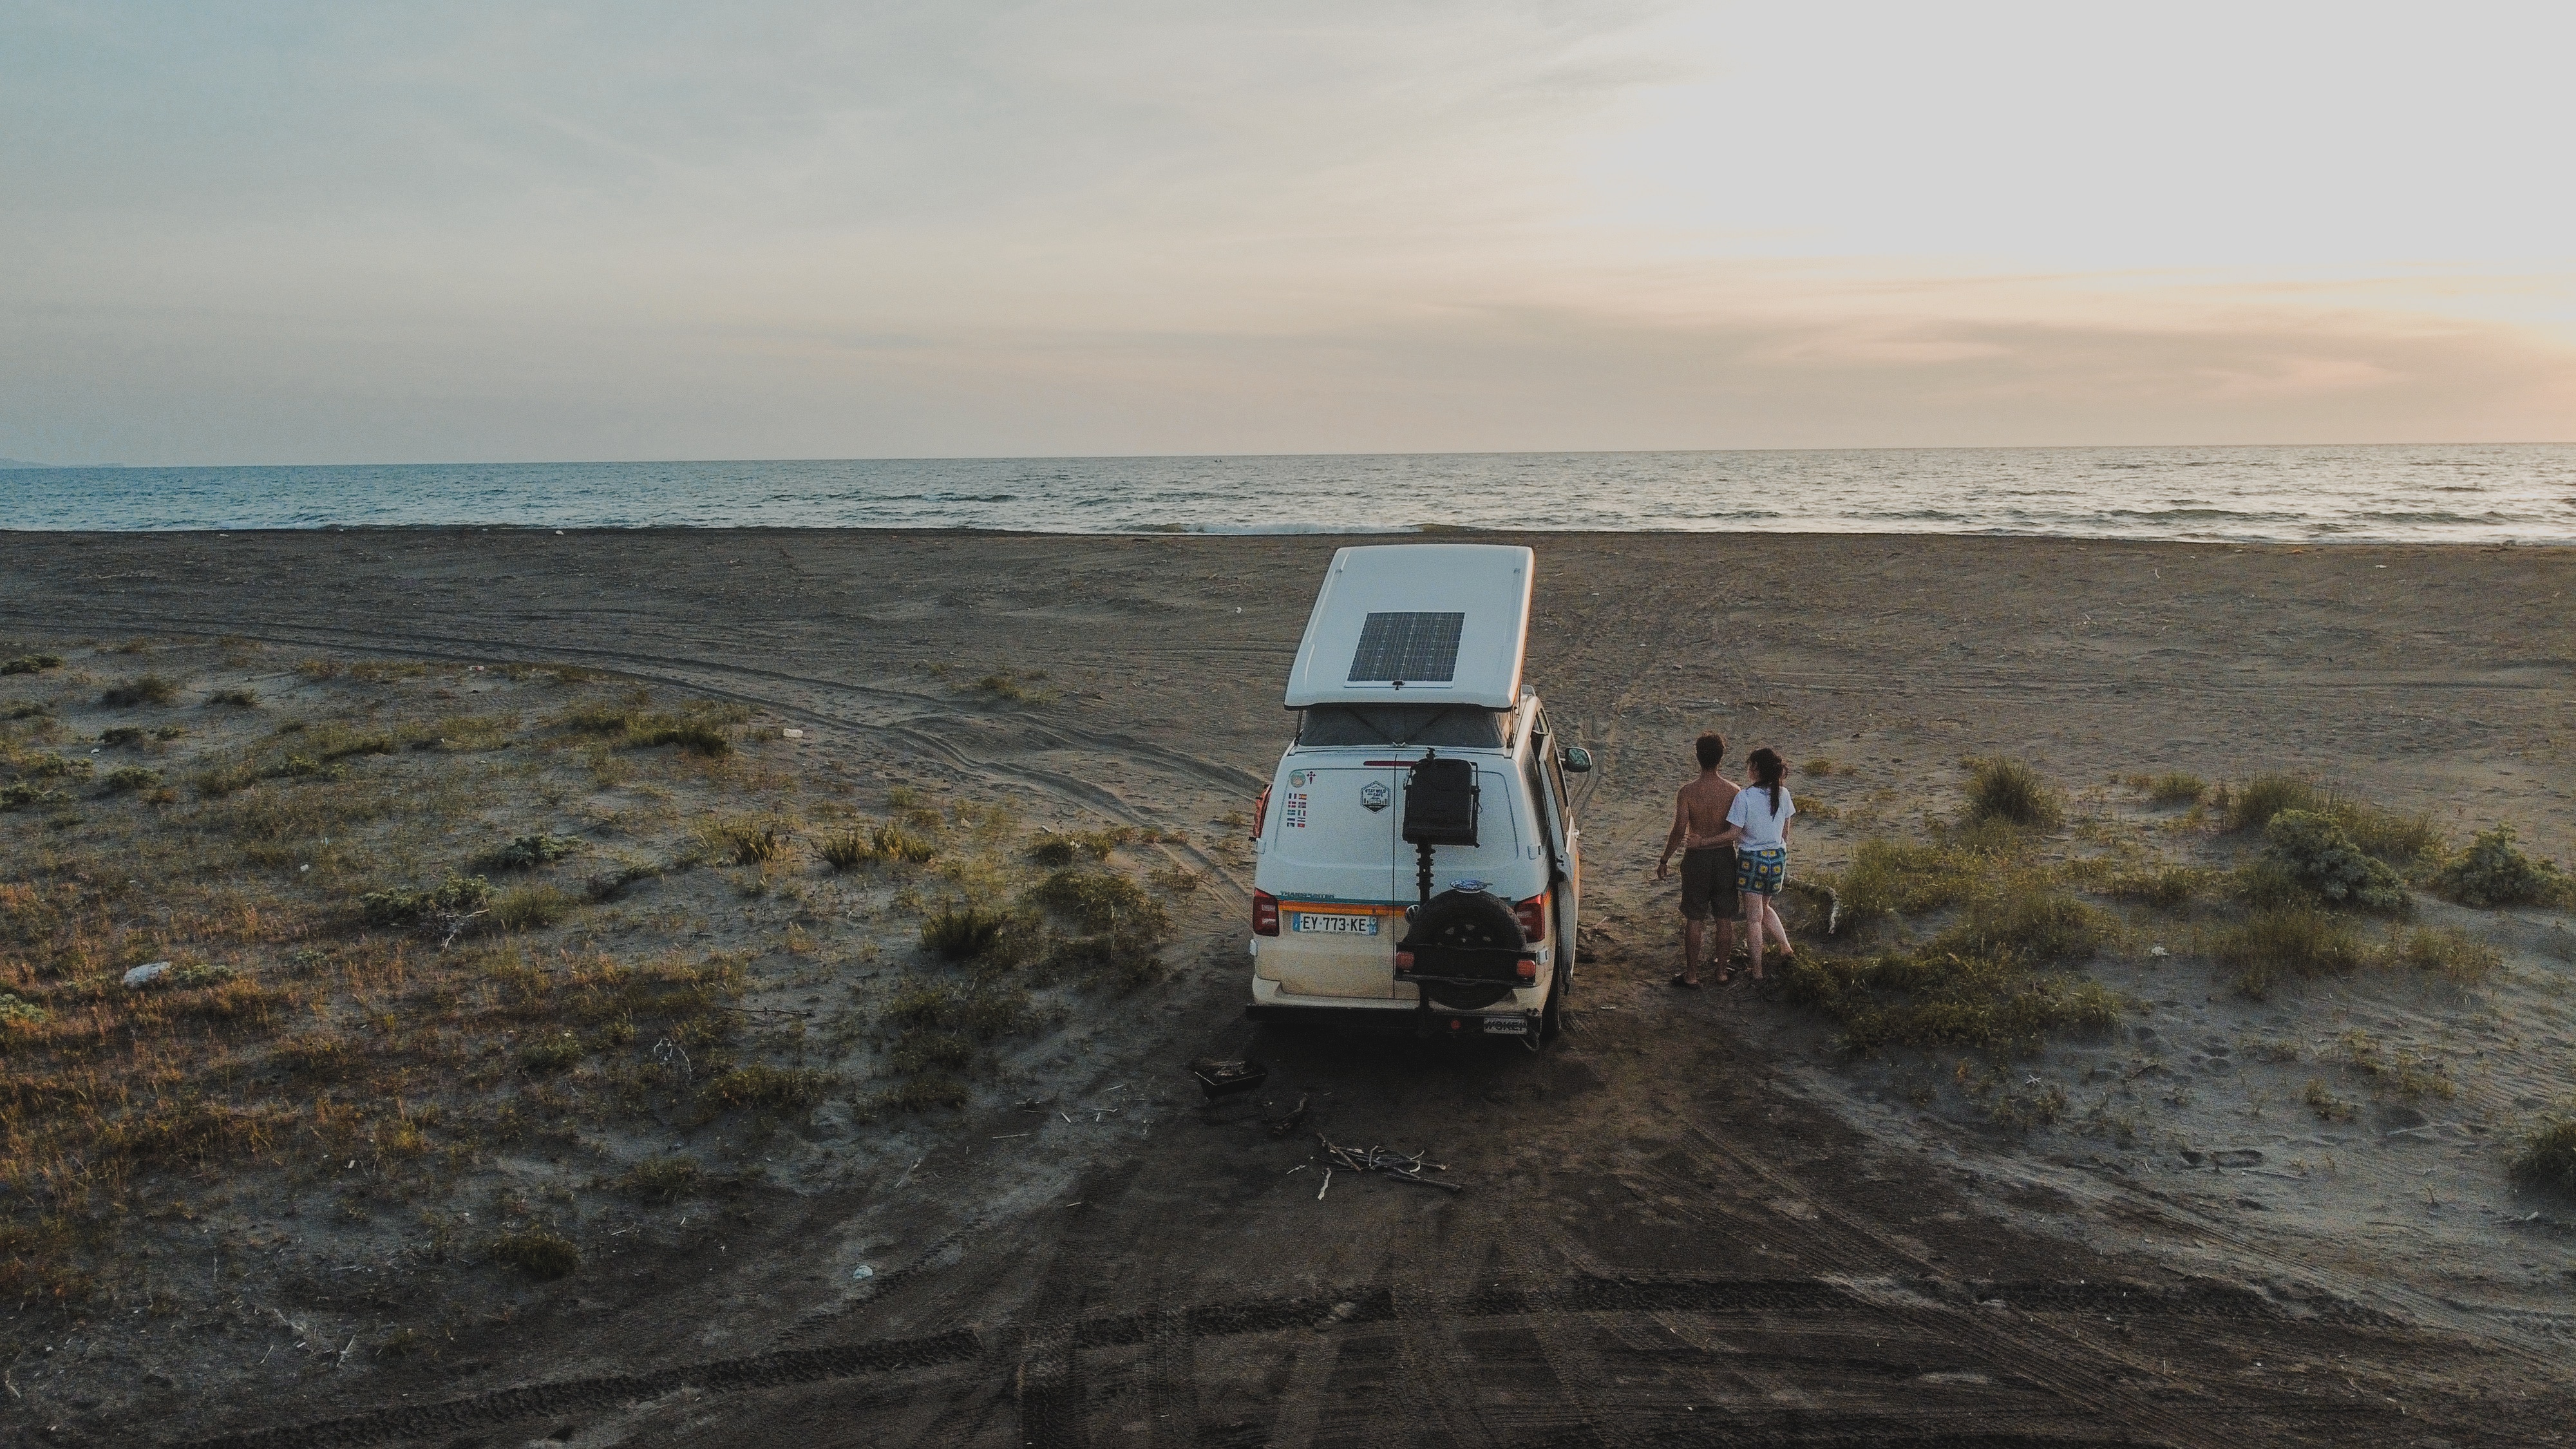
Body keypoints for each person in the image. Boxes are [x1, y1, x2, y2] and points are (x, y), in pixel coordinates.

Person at [1654, 732, 1739, 988]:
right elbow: (1738, 828)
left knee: (1695, 917)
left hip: (1697, 859)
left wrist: (1664, 858)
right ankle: (1722, 973)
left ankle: (1691, 975)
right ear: (1721, 758)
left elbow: (1679, 830)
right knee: (1725, 917)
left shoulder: (1688, 792)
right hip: (1725, 856)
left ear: (1697, 757)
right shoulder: (1734, 791)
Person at [1721, 746, 1796, 981]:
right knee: (1764, 909)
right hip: (1777, 858)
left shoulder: (1744, 797)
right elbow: (1786, 829)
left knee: (1753, 917)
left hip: (1752, 860)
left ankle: (1758, 971)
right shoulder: (1783, 794)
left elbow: (1734, 833)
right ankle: (1785, 947)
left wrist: (1705, 841)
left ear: (1754, 769)